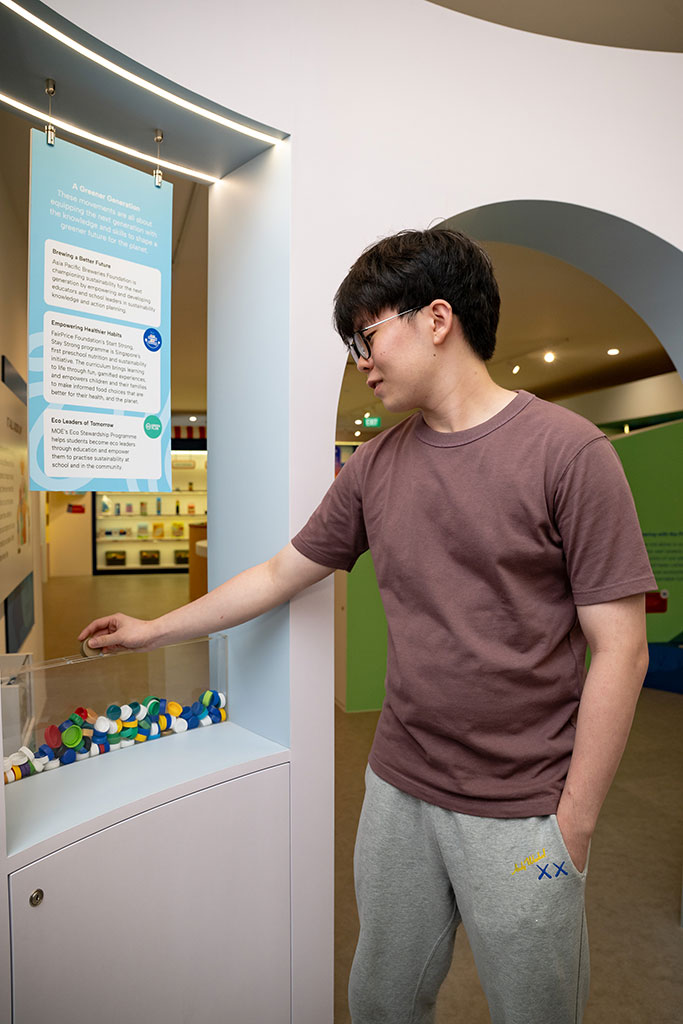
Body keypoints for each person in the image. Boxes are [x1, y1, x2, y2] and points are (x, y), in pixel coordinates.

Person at [80, 229, 655, 1024]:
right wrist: (153, 631)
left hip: (523, 807)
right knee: (379, 1000)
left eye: (367, 333)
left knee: (536, 1010)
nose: (360, 357)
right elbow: (281, 573)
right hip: (398, 788)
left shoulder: (570, 453)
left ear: (437, 318)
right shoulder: (377, 466)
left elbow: (621, 649)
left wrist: (574, 825)